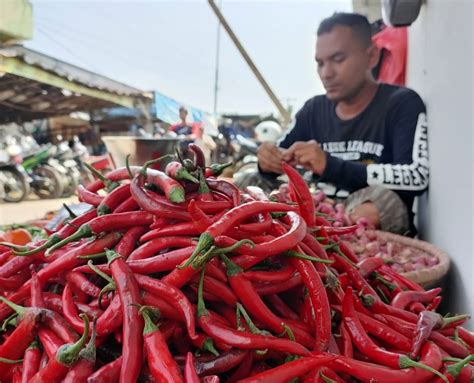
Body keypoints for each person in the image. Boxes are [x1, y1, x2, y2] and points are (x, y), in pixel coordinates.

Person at [256, 12, 429, 236]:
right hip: (316, 209)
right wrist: (267, 160)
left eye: (338, 59)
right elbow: (278, 157)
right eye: (320, 63)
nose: (326, 73)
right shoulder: (313, 109)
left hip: (363, 217)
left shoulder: (401, 103)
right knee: (250, 183)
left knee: (383, 204)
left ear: (372, 57)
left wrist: (329, 165)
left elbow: (416, 176)